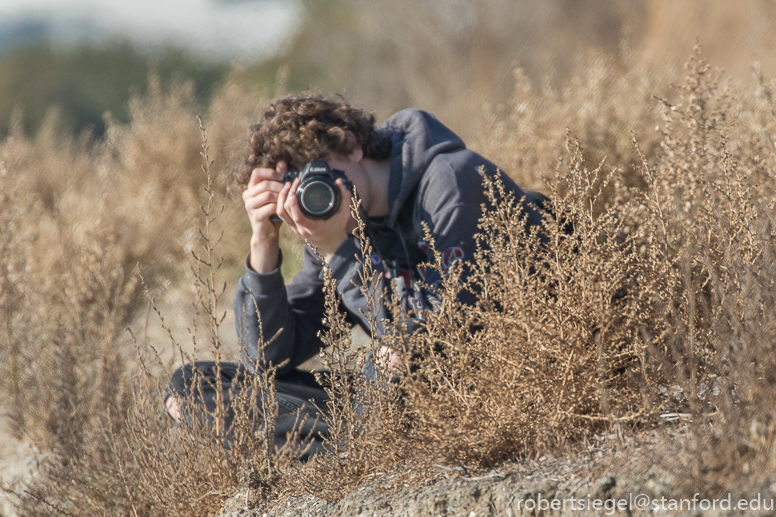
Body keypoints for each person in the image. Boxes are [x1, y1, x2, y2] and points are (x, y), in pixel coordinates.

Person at [164, 93, 546, 457]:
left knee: (393, 359)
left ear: (350, 144)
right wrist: (263, 245)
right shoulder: (339, 225)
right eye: (292, 191)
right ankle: (327, 443)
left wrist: (337, 250)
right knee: (191, 387)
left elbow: (433, 342)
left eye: (315, 175)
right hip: (390, 399)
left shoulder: (451, 181)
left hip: (491, 382)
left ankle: (316, 447)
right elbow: (267, 361)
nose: (312, 195)